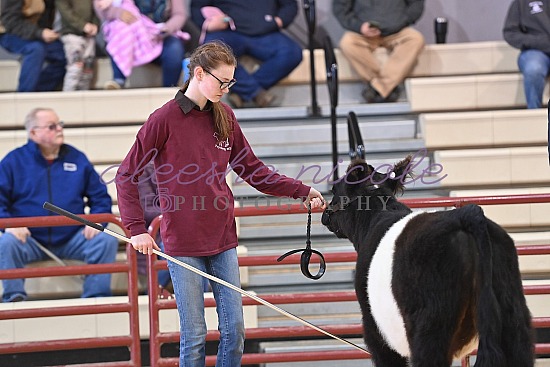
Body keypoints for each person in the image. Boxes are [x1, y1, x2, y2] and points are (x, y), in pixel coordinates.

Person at [115, 40, 326, 366]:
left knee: (235, 329)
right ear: (198, 73)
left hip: (222, 236)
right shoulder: (164, 118)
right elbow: (127, 174)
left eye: (231, 82)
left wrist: (302, 190)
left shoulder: (225, 115)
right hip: (182, 241)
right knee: (195, 334)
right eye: (221, 81)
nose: (226, 89)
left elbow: (254, 171)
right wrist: (136, 228)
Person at [0, 108, 119, 303]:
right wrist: (9, 224)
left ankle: (96, 299)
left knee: (106, 240)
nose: (60, 129)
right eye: (52, 126)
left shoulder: (77, 158)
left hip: (72, 237)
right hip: (30, 239)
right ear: (33, 133)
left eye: (60, 124)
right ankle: (14, 299)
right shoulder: (14, 161)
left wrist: (96, 222)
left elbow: (100, 198)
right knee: (6, 242)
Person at [190, 0, 303, 108]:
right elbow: (197, 6)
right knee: (212, 51)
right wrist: (207, 24)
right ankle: (255, 93)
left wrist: (278, 21)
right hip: (228, 31)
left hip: (265, 32)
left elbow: (290, 5)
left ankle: (244, 93)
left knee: (292, 52)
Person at [332, 0, 425, 103]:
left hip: (397, 31)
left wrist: (400, 22)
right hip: (363, 34)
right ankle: (387, 87)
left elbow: (416, 5)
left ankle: (377, 87)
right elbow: (341, 9)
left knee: (415, 38)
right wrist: (359, 27)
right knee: (347, 42)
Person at [94, 0, 189, 89]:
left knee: (174, 48)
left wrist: (166, 28)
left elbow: (179, 14)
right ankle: (118, 79)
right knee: (120, 33)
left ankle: (170, 90)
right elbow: (101, 6)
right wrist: (117, 12)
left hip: (160, 35)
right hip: (131, 33)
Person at [0, 0, 66, 92]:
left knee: (65, 55)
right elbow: (10, 20)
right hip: (10, 33)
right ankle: (24, 96)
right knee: (35, 49)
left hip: (36, 31)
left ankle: (39, 91)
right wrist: (39, 33)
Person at [503, 0, 550, 109]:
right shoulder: (521, 3)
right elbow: (510, 32)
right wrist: (539, 42)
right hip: (535, 51)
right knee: (534, 69)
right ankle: (534, 114)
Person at [136, 161, 171, 291]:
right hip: (157, 234)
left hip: (176, 230)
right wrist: (180, 212)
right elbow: (147, 209)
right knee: (177, 246)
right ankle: (154, 289)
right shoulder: (142, 169)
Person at [55, 0, 100, 91]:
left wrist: (95, 25)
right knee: (75, 68)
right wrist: (83, 25)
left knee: (87, 71)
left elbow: (95, 10)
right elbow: (66, 13)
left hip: (88, 36)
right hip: (72, 35)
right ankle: (68, 98)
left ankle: (83, 97)